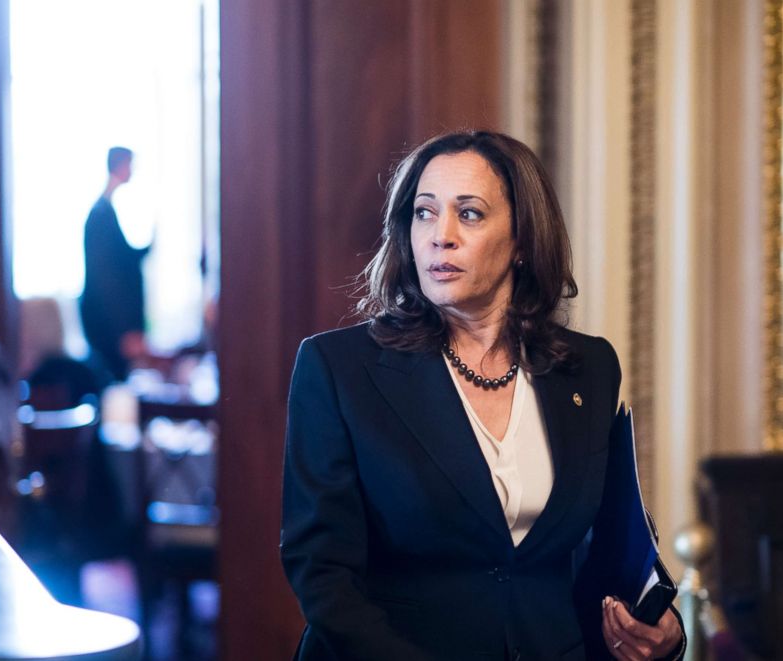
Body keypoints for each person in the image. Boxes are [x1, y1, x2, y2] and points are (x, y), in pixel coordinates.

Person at [281, 131, 686, 660]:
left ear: (522, 240)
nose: (439, 236)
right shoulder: (339, 368)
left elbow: (605, 542)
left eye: (468, 214)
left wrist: (661, 624)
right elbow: (323, 574)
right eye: (424, 213)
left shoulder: (588, 368)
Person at [79, 146, 152, 382]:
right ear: (120, 166)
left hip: (111, 325)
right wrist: (124, 331)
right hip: (108, 327)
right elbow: (107, 279)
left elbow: (122, 260)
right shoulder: (100, 214)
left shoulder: (106, 211)